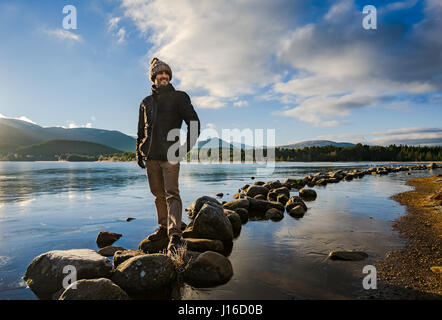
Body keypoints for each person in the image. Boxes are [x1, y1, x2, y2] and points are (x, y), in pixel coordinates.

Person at [136, 57, 201, 253]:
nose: (164, 76)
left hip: (170, 156)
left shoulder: (179, 97)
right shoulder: (145, 102)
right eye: (160, 74)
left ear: (169, 77)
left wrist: (184, 149)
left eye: (167, 74)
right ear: (153, 77)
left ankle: (174, 234)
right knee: (157, 195)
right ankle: (163, 227)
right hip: (150, 156)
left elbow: (194, 124)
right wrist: (138, 152)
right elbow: (141, 130)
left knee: (172, 193)